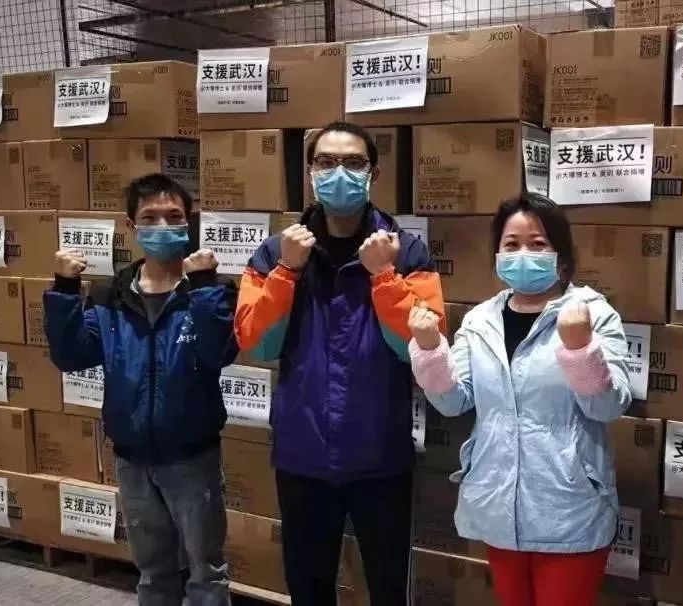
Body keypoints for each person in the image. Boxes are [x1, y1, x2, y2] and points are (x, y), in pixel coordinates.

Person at [233, 122, 445, 606]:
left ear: (374, 173)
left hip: (380, 455)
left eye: (353, 162)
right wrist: (287, 271)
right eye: (326, 162)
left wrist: (384, 276)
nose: (339, 173)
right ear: (310, 172)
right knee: (309, 590)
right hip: (302, 455)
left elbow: (420, 349)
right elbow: (256, 344)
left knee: (388, 590)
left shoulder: (405, 251)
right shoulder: (276, 251)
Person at [406, 193, 631, 606]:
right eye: (511, 244)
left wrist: (580, 348)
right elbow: (453, 402)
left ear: (561, 254)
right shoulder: (481, 321)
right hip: (499, 504)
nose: (523, 253)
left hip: (568, 506)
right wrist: (429, 349)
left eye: (538, 243)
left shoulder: (593, 314)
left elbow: (607, 406)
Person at [44, 173, 239, 606]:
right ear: (131, 226)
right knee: (153, 572)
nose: (162, 226)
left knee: (206, 571)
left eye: (174, 216)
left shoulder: (210, 290)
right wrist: (64, 290)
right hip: (132, 459)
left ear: (189, 222)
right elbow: (71, 356)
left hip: (193, 459)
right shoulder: (110, 294)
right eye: (150, 218)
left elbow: (219, 353)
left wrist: (204, 286)